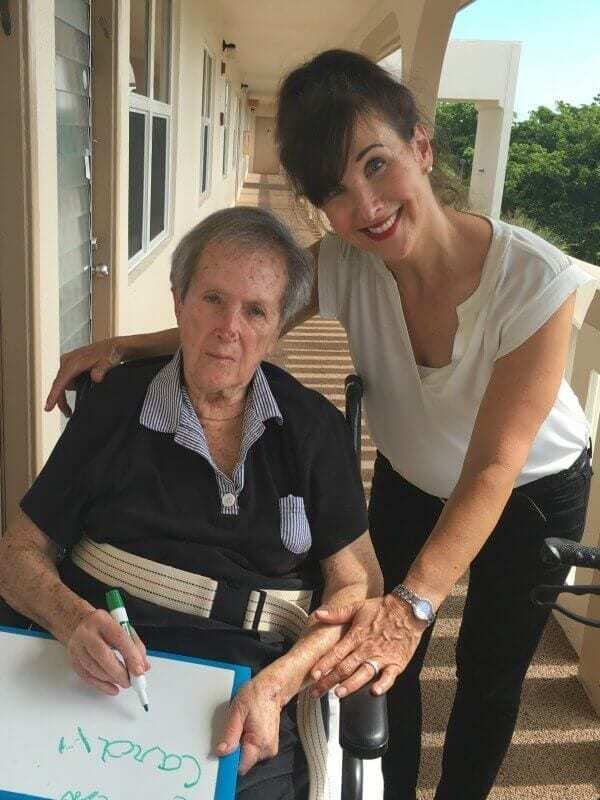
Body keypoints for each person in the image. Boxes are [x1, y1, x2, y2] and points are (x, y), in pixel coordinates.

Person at [42, 50, 595, 800]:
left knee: (488, 673)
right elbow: (241, 319)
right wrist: (123, 347)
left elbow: (494, 465)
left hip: (530, 488)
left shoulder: (535, 280)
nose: (365, 205)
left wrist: (416, 603)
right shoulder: (346, 261)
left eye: (377, 165)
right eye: (336, 192)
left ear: (421, 147)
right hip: (411, 474)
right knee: (373, 661)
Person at [0, 205, 383, 800]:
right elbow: (18, 551)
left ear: (278, 326)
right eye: (213, 299)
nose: (230, 328)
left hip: (242, 701)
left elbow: (359, 587)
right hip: (90, 682)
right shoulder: (115, 403)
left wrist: (280, 684)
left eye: (256, 310)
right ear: (179, 303)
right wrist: (71, 621)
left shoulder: (312, 430)